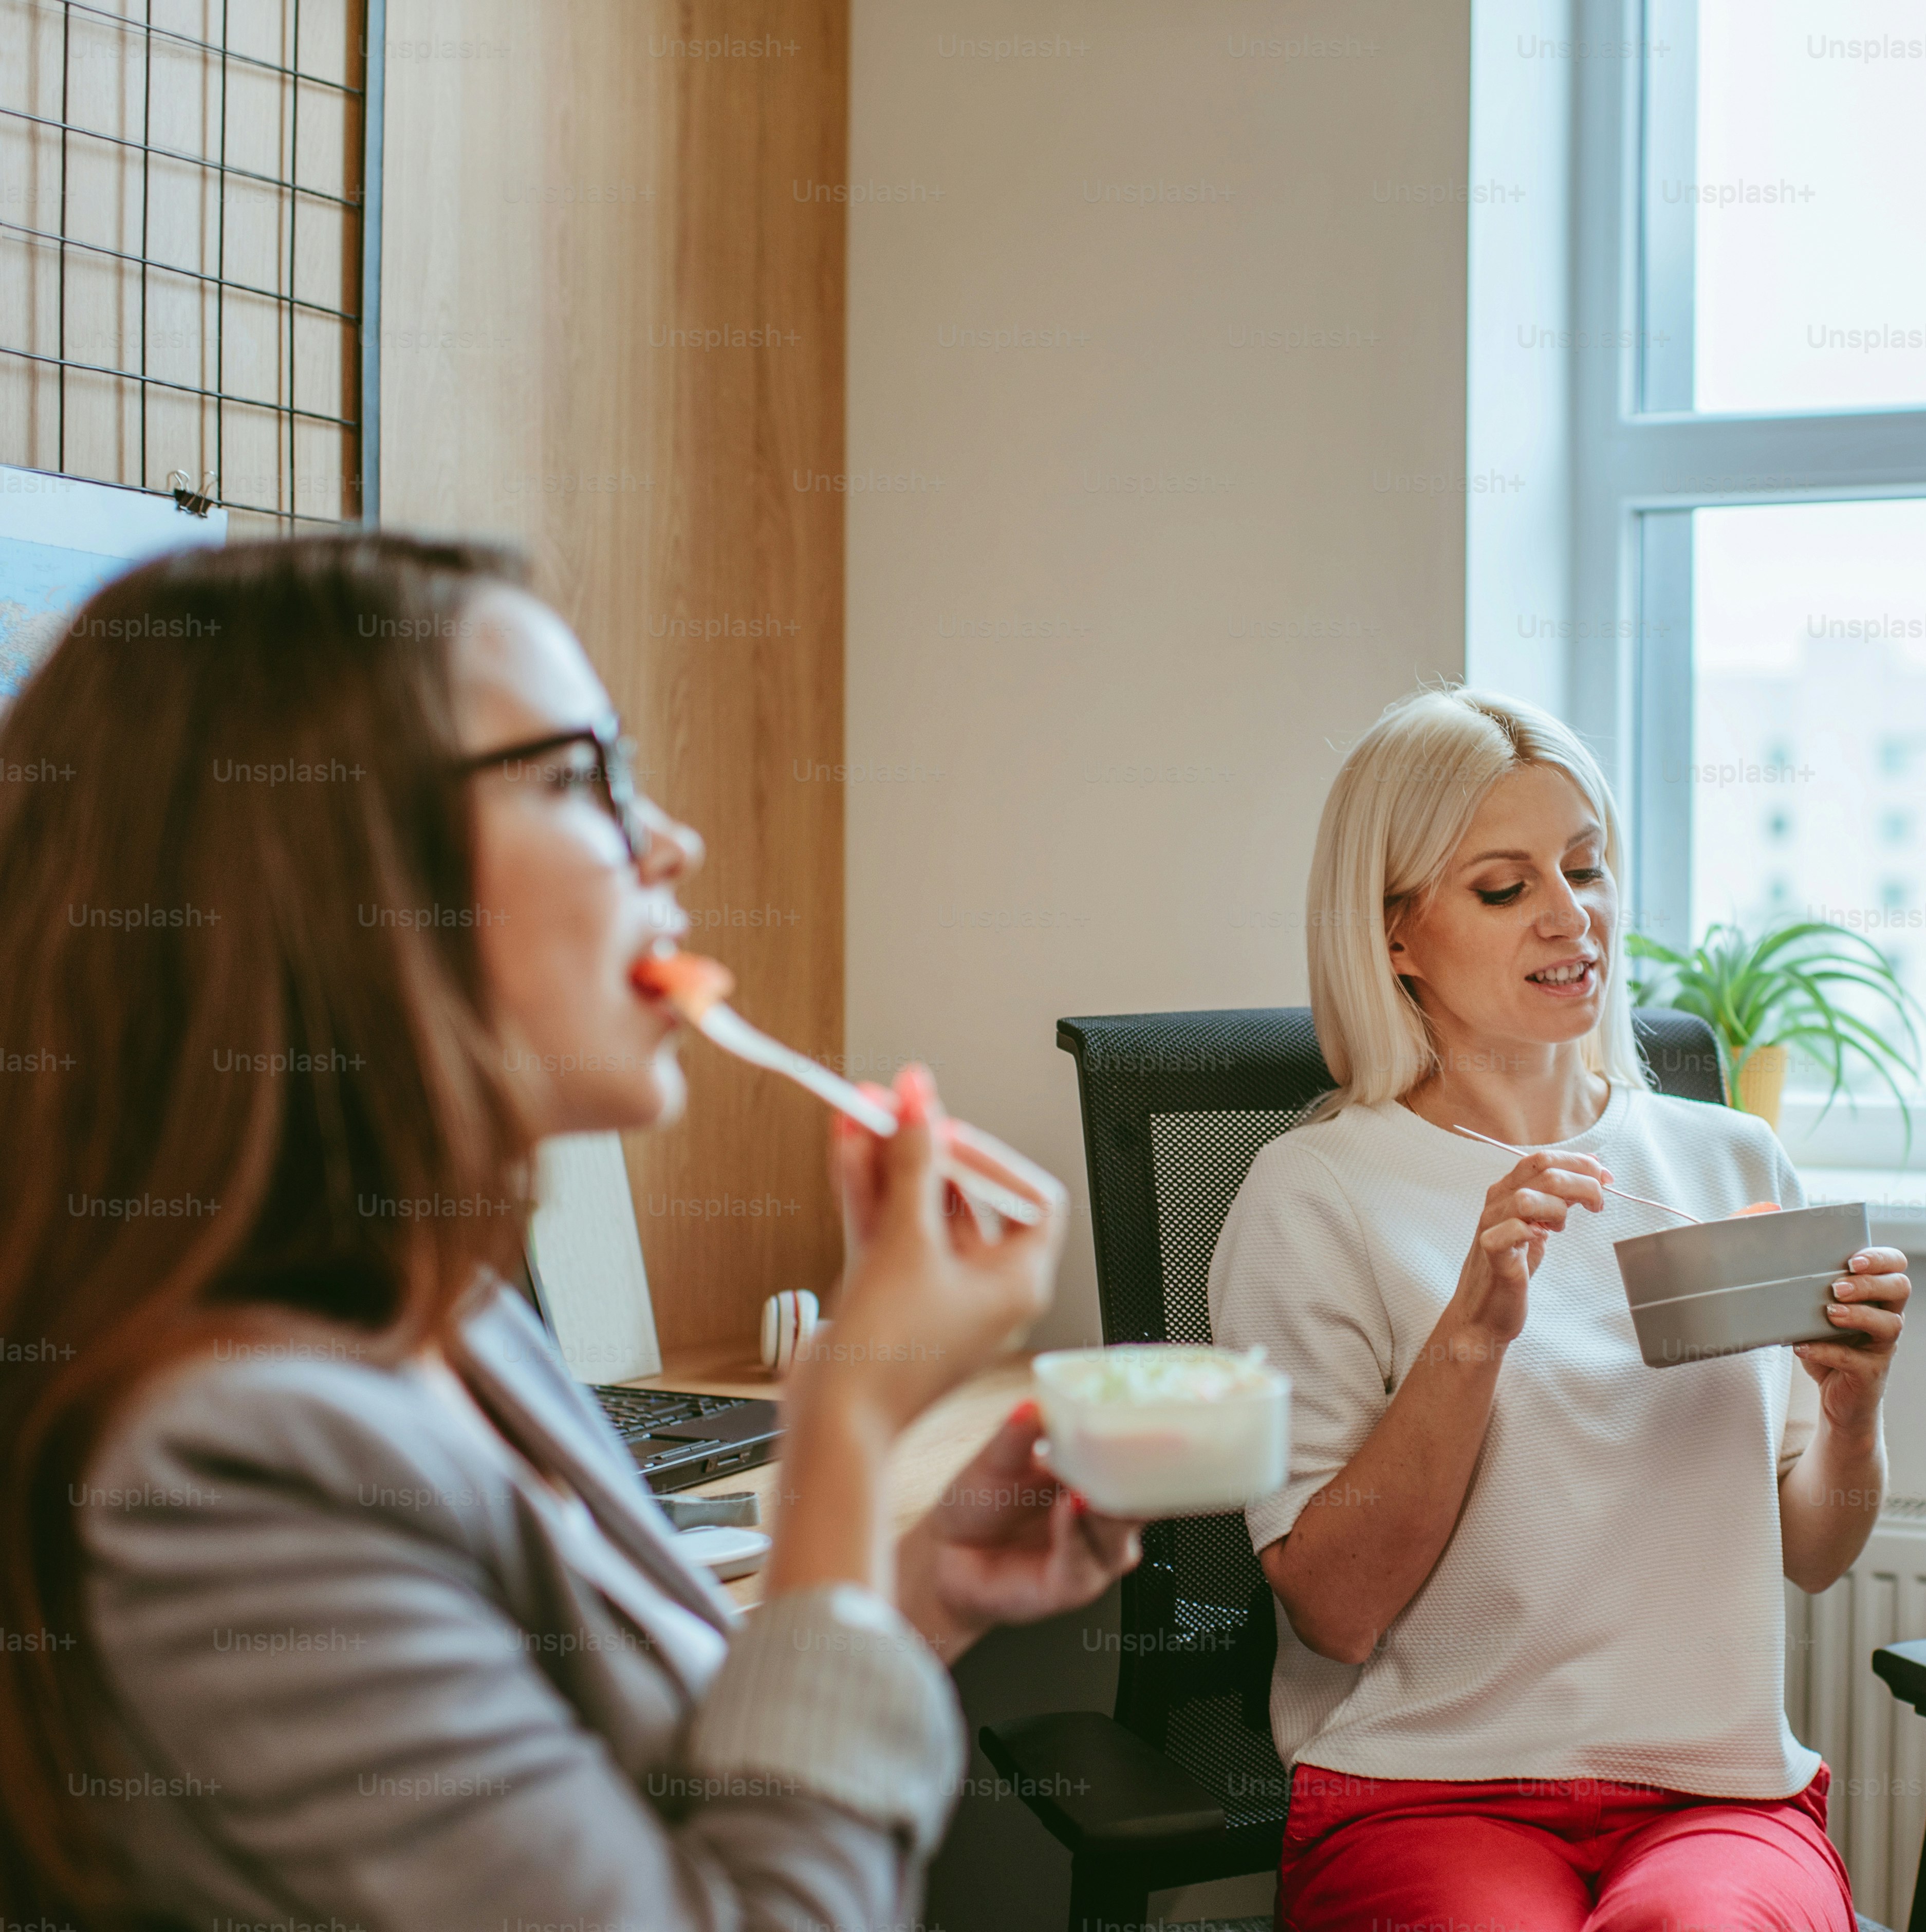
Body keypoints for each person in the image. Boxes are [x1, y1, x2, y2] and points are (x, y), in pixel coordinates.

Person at [0, 535, 1141, 1930]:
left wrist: (911, 1592)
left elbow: (629, 1790)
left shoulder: (460, 1324)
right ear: (326, 863)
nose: (674, 843)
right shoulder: (229, 1471)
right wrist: (844, 1429)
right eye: (576, 776)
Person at [1210, 687, 1911, 1932]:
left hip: (1713, 1796)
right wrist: (1471, 1335)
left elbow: (1811, 1550)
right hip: (1424, 1790)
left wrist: (1850, 1417)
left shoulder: (1734, 1163)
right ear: (1395, 936)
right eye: (1501, 886)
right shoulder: (1314, 1193)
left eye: (1584, 868)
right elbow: (1334, 1605)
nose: (1568, 913)